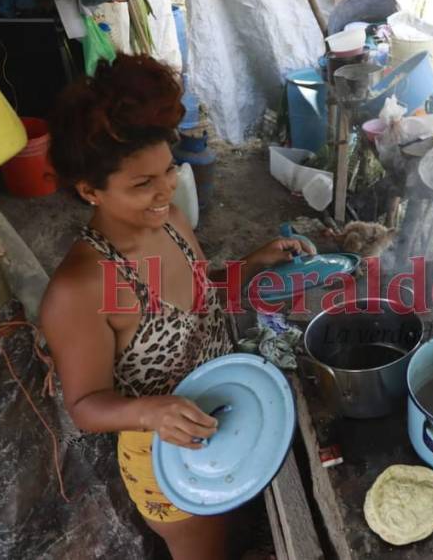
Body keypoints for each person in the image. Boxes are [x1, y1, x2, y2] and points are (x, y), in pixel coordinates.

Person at [40, 54, 310, 559]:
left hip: (231, 408)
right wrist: (151, 411)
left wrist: (255, 262)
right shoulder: (80, 289)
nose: (164, 190)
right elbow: (83, 406)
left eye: (167, 170)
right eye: (141, 184)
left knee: (243, 526)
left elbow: (199, 294)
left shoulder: (170, 220)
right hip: (166, 452)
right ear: (88, 191)